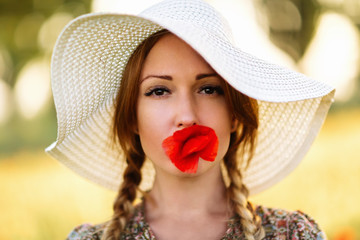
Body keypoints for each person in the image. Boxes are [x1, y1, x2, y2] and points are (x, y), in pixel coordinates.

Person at [46, 0, 335, 239]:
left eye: (208, 89)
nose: (187, 115)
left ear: (234, 114)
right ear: (132, 117)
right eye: (159, 91)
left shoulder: (294, 234)